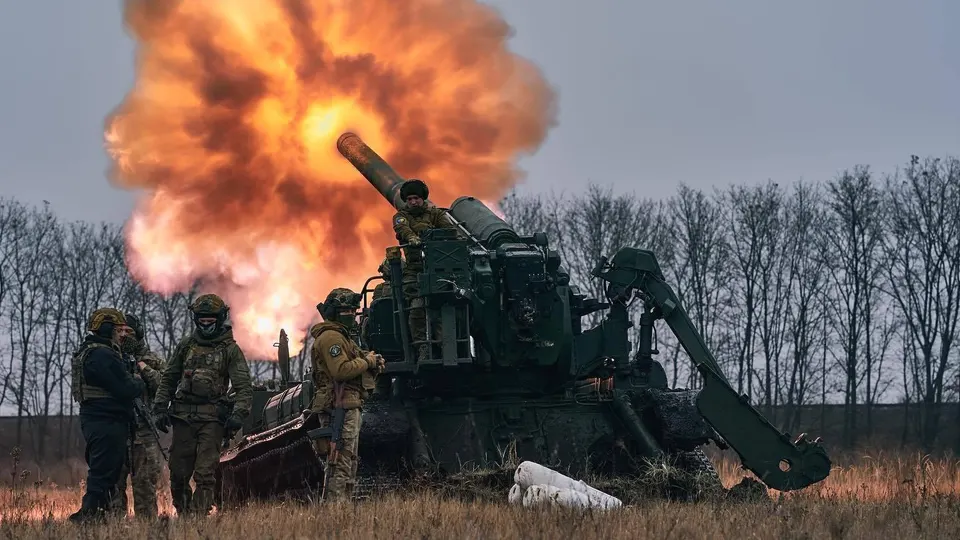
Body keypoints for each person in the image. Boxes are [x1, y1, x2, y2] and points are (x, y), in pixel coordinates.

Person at [151, 293, 253, 516]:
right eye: (202, 321)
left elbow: (244, 387)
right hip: (183, 418)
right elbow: (169, 377)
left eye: (211, 321)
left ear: (220, 319)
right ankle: (185, 514)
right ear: (196, 319)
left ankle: (198, 518)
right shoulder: (186, 345)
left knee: (206, 474)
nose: (206, 325)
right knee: (178, 474)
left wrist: (238, 414)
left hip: (213, 420)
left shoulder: (230, 350)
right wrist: (159, 407)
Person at [69, 308, 145, 524]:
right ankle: (88, 517)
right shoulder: (102, 354)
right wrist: (139, 381)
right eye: (120, 330)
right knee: (103, 474)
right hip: (105, 421)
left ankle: (97, 518)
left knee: (106, 473)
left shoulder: (94, 351)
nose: (123, 335)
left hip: (102, 420)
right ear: (107, 329)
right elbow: (126, 388)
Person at [308, 288, 384, 501]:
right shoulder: (331, 337)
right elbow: (340, 370)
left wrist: (373, 362)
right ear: (334, 312)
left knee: (347, 461)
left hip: (348, 403)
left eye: (353, 310)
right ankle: (335, 511)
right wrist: (368, 361)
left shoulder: (343, 337)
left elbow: (357, 363)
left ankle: (341, 511)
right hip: (338, 406)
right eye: (346, 310)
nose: (351, 314)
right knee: (339, 462)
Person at [390, 179, 457, 360]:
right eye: (409, 199)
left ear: (423, 198)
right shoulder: (401, 216)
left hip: (438, 271)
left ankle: (447, 349)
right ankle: (422, 348)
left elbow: (451, 232)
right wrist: (412, 238)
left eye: (416, 198)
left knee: (444, 309)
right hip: (415, 272)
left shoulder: (436, 214)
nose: (413, 202)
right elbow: (402, 228)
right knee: (417, 308)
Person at [112, 313, 166, 519]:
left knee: (144, 483)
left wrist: (143, 367)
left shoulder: (151, 360)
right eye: (120, 331)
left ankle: (148, 527)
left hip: (143, 431)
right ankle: (116, 530)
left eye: (129, 331)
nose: (124, 335)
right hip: (116, 429)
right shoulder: (109, 359)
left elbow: (164, 385)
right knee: (115, 484)